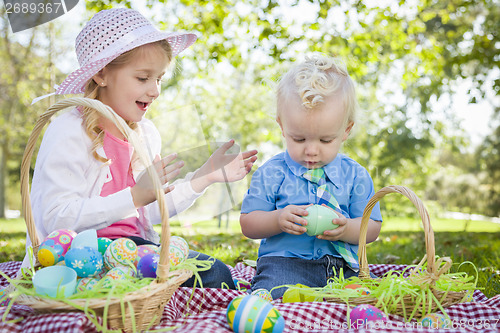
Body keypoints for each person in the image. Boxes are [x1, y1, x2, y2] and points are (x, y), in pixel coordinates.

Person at [23, 8, 258, 289]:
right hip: (77, 256)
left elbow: (152, 211)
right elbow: (56, 217)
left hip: (135, 250)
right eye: (143, 78)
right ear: (101, 74)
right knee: (131, 285)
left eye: (159, 78)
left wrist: (204, 177)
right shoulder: (69, 131)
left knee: (216, 272)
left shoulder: (145, 134)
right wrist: (133, 195)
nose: (156, 90)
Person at [240, 55, 382, 299]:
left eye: (326, 140)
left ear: (346, 130)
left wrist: (346, 228)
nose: (312, 150)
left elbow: (372, 228)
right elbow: (248, 224)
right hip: (285, 263)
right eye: (299, 139)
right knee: (275, 294)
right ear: (282, 127)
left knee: (369, 299)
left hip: (343, 267)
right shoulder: (271, 172)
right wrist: (277, 219)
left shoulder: (356, 175)